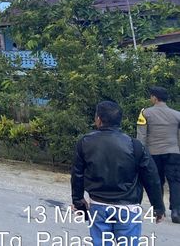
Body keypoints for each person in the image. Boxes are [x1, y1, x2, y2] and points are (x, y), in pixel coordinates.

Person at [72, 101, 165, 246]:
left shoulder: (85, 142)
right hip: (128, 208)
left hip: (98, 205)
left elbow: (77, 174)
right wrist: (158, 207)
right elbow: (151, 178)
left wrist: (78, 200)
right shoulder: (135, 146)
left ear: (98, 119)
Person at [137, 86, 180, 223]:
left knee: (156, 181)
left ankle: (158, 210)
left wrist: (140, 154)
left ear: (154, 98)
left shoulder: (145, 113)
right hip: (173, 152)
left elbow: (141, 136)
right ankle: (176, 211)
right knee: (175, 181)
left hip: (153, 153)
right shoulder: (177, 115)